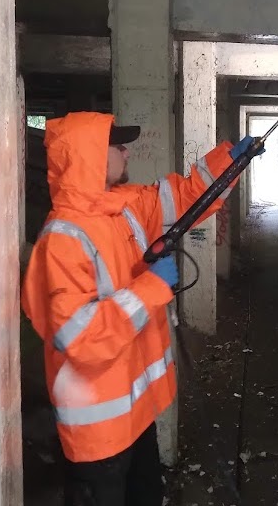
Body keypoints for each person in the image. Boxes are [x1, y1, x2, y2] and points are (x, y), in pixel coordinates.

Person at [20, 111, 262, 505]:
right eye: (117, 146)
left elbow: (186, 197)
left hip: (136, 416)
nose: (126, 154)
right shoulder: (63, 239)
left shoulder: (122, 210)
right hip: (98, 433)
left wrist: (230, 163)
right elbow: (79, 337)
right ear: (91, 155)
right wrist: (151, 287)